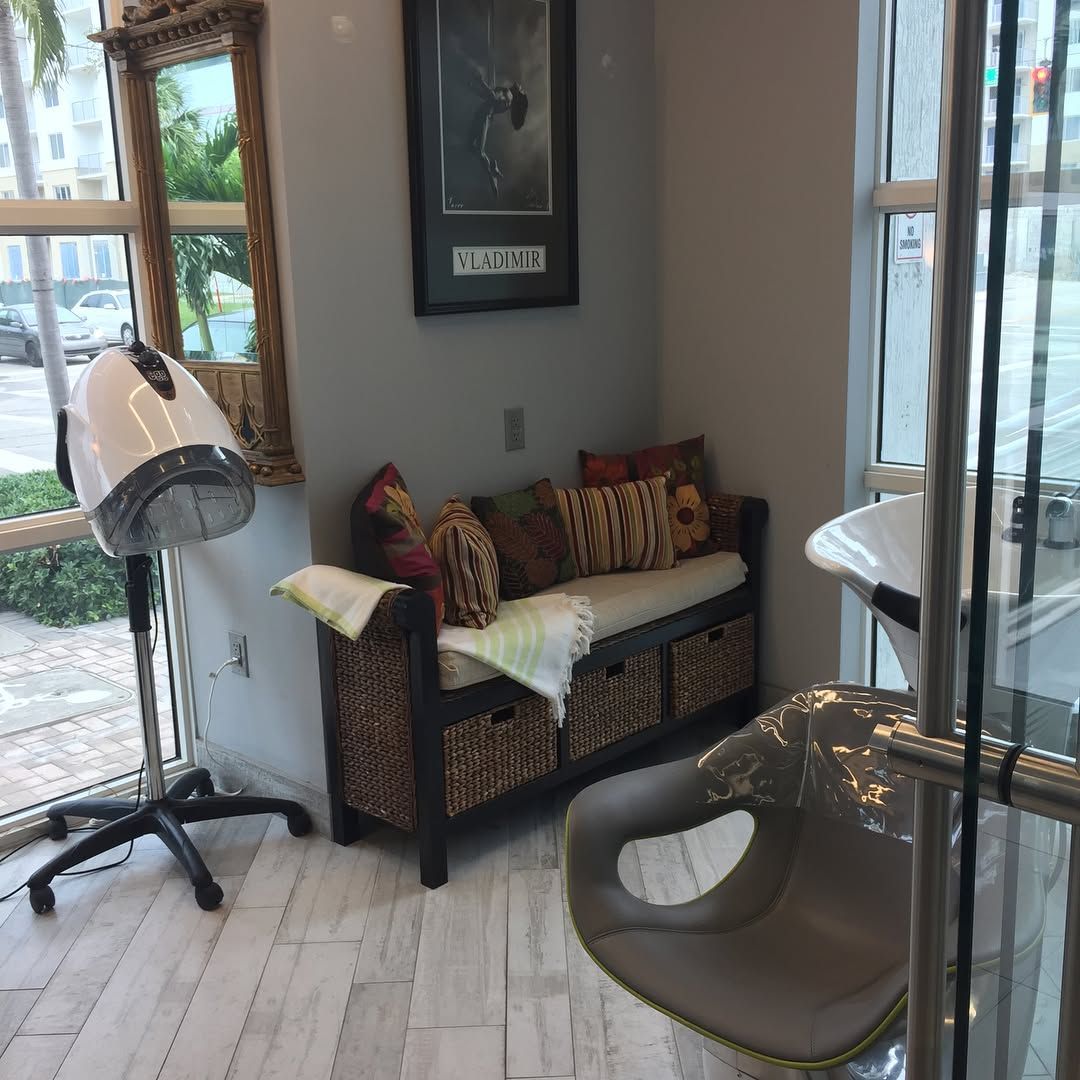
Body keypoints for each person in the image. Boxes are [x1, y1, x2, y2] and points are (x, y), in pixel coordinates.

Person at [467, 73, 528, 200]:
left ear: (517, 93)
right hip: (483, 116)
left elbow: (492, 97)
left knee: (479, 151)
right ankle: (492, 168)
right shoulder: (509, 100)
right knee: (470, 147)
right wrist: (474, 88)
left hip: (484, 116)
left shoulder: (507, 93)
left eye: (521, 88)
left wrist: (481, 81)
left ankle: (492, 175)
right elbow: (488, 97)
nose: (519, 85)